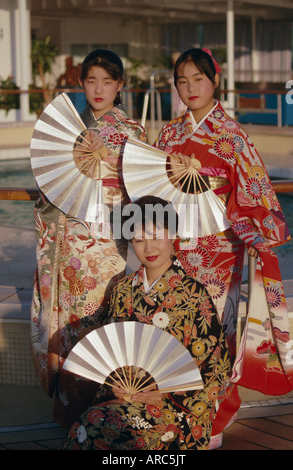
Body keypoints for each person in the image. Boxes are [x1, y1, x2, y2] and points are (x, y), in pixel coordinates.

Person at [154, 48, 293, 448]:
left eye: (197, 78)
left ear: (214, 80)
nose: (189, 87)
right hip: (176, 244)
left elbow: (256, 192)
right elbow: (153, 190)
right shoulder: (169, 134)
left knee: (216, 330)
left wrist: (254, 229)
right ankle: (175, 412)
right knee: (175, 324)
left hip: (218, 249)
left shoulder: (232, 136)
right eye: (182, 80)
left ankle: (213, 416)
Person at [30, 49, 146, 429]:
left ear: (120, 86)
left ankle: (97, 410)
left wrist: (107, 166)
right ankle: (68, 409)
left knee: (96, 319)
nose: (99, 89)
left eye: (107, 81)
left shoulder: (132, 132)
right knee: (65, 324)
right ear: (81, 84)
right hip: (65, 244)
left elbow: (138, 190)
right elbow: (50, 185)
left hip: (104, 247)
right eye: (91, 80)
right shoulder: (68, 129)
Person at [62, 195, 231, 450]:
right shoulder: (122, 291)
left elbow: (216, 364)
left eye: (156, 236)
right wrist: (116, 386)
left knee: (127, 433)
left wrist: (167, 393)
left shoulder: (195, 295)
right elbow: (112, 351)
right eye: (139, 240)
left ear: (173, 234)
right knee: (89, 425)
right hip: (124, 399)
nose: (149, 248)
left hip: (175, 407)